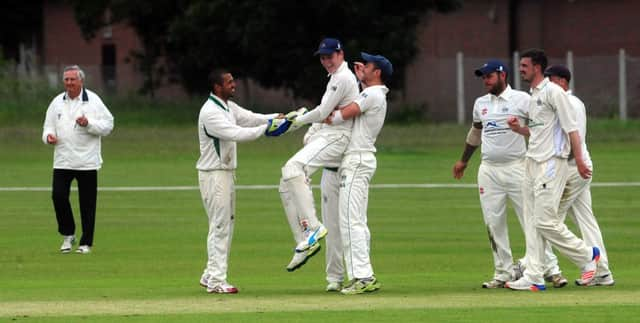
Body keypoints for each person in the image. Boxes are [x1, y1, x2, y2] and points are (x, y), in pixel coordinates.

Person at [452, 60, 565, 289]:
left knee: (531, 220)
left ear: (502, 75)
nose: (485, 81)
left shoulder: (523, 99)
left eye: (489, 76)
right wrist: (463, 161)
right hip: (489, 170)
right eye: (483, 77)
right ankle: (503, 272)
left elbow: (539, 127)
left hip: (518, 167)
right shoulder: (480, 103)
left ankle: (551, 269)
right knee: (493, 222)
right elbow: (476, 132)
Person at [505, 49, 599, 291]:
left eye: (524, 66)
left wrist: (579, 160)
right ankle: (534, 276)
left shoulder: (555, 93)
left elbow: (571, 129)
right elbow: (538, 130)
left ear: (537, 67)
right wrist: (519, 129)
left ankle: (587, 255)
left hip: (551, 163)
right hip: (531, 161)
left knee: (546, 221)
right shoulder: (533, 94)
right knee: (532, 220)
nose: (521, 69)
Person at [196, 69, 289, 294]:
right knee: (220, 226)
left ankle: (210, 274)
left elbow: (249, 117)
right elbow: (237, 133)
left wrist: (280, 117)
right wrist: (267, 129)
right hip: (214, 174)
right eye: (229, 82)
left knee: (223, 224)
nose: (234, 85)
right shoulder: (210, 112)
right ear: (217, 87)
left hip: (225, 173)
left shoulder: (227, 106)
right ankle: (217, 280)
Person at [280, 38, 359, 277]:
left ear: (340, 54)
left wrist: (296, 121)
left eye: (330, 56)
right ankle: (304, 241)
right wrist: (309, 126)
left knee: (293, 167)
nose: (326, 61)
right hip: (327, 134)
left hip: (338, 138)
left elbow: (323, 112)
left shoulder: (344, 77)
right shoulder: (334, 78)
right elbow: (323, 112)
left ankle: (314, 228)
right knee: (285, 183)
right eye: (323, 58)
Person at [325, 52, 392, 294]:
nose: (363, 67)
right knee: (357, 221)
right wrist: (361, 79)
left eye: (368, 66)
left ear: (378, 73)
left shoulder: (372, 94)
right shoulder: (373, 93)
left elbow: (344, 113)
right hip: (360, 160)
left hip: (357, 160)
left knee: (350, 221)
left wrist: (325, 115)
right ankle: (364, 274)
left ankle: (363, 277)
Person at [543, 65, 615, 286]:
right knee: (586, 219)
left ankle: (543, 267)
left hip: (573, 169)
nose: (546, 85)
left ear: (563, 81)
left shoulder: (568, 103)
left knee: (547, 220)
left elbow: (569, 138)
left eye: (550, 80)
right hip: (580, 166)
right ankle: (603, 272)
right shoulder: (573, 102)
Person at [42, 65, 114, 255]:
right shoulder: (57, 102)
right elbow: (48, 127)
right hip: (63, 160)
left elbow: (108, 125)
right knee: (58, 196)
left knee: (87, 203)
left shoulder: (93, 101)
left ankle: (86, 243)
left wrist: (88, 124)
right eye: (66, 79)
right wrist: (49, 137)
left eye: (73, 79)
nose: (69, 83)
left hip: (87, 161)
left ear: (81, 81)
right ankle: (68, 234)